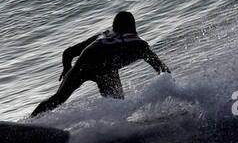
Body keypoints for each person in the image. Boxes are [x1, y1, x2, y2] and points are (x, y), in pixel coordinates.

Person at [30, 11, 170, 117]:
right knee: (117, 106)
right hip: (105, 69)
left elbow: (68, 52)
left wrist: (68, 68)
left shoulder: (102, 36)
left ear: (115, 27)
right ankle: (112, 129)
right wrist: (170, 90)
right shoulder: (139, 45)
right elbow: (162, 69)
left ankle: (31, 122)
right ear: (133, 27)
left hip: (82, 64)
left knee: (58, 98)